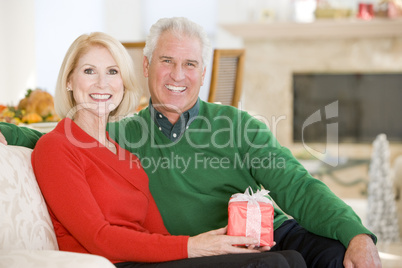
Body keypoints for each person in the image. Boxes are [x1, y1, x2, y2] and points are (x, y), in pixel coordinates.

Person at [0, 17, 381, 268]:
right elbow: (57, 138)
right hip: (204, 250)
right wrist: (7, 130)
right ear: (146, 68)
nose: (178, 75)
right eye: (166, 61)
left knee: (336, 257)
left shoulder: (236, 125)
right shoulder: (120, 134)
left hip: (274, 231)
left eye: (191, 64)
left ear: (203, 72)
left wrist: (357, 233)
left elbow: (298, 185)